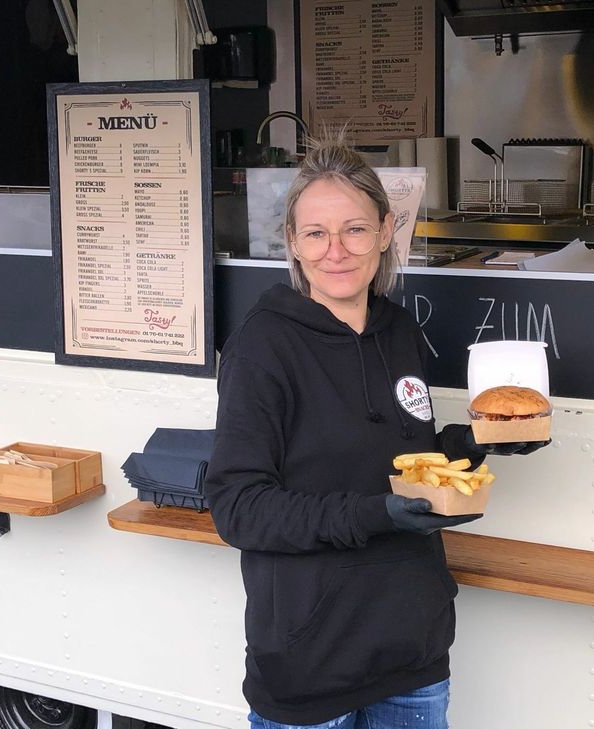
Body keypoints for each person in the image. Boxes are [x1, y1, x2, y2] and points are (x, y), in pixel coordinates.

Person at [204, 132, 548, 729]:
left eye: (355, 229)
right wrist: (377, 515)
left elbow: (406, 460)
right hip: (310, 666)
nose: (336, 250)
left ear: (386, 231)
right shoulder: (263, 348)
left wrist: (479, 443)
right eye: (316, 233)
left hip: (412, 655)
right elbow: (239, 508)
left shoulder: (399, 332)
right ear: (293, 242)